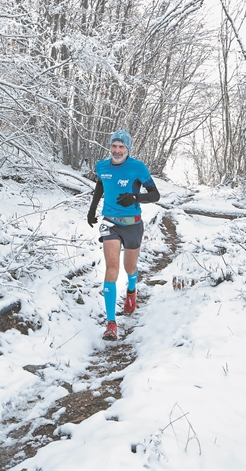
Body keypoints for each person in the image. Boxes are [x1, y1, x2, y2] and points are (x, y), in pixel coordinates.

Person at [87, 129, 160, 341]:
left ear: (127, 149)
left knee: (130, 268)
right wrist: (92, 210)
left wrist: (135, 197)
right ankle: (111, 323)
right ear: (110, 147)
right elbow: (100, 185)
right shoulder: (102, 166)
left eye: (121, 147)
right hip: (110, 223)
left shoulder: (137, 167)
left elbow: (155, 194)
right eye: (114, 146)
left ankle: (131, 290)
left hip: (133, 225)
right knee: (111, 268)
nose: (117, 151)